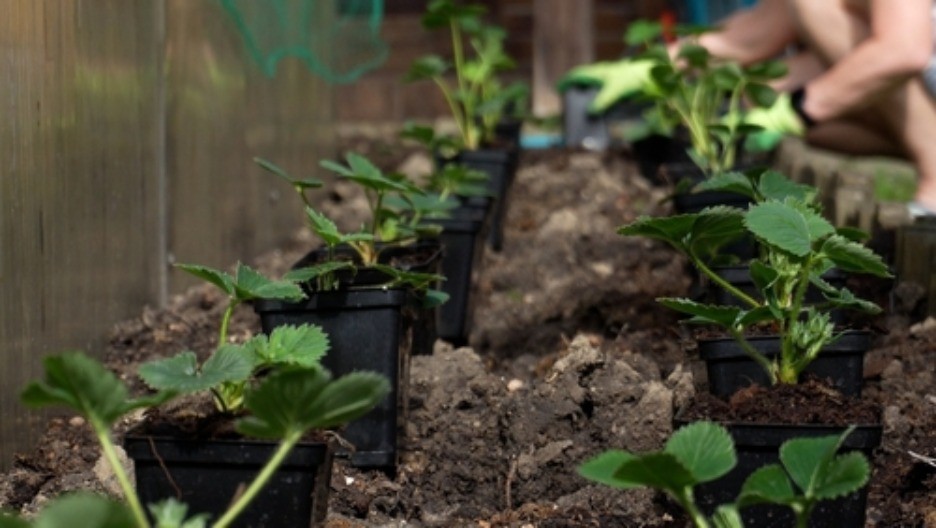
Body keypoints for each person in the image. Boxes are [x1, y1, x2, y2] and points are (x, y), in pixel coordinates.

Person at [690, 0, 936, 217]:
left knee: (814, 4)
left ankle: (933, 187)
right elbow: (762, 28)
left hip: (913, 55)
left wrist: (801, 110)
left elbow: (905, 50)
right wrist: (672, 59)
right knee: (775, 99)